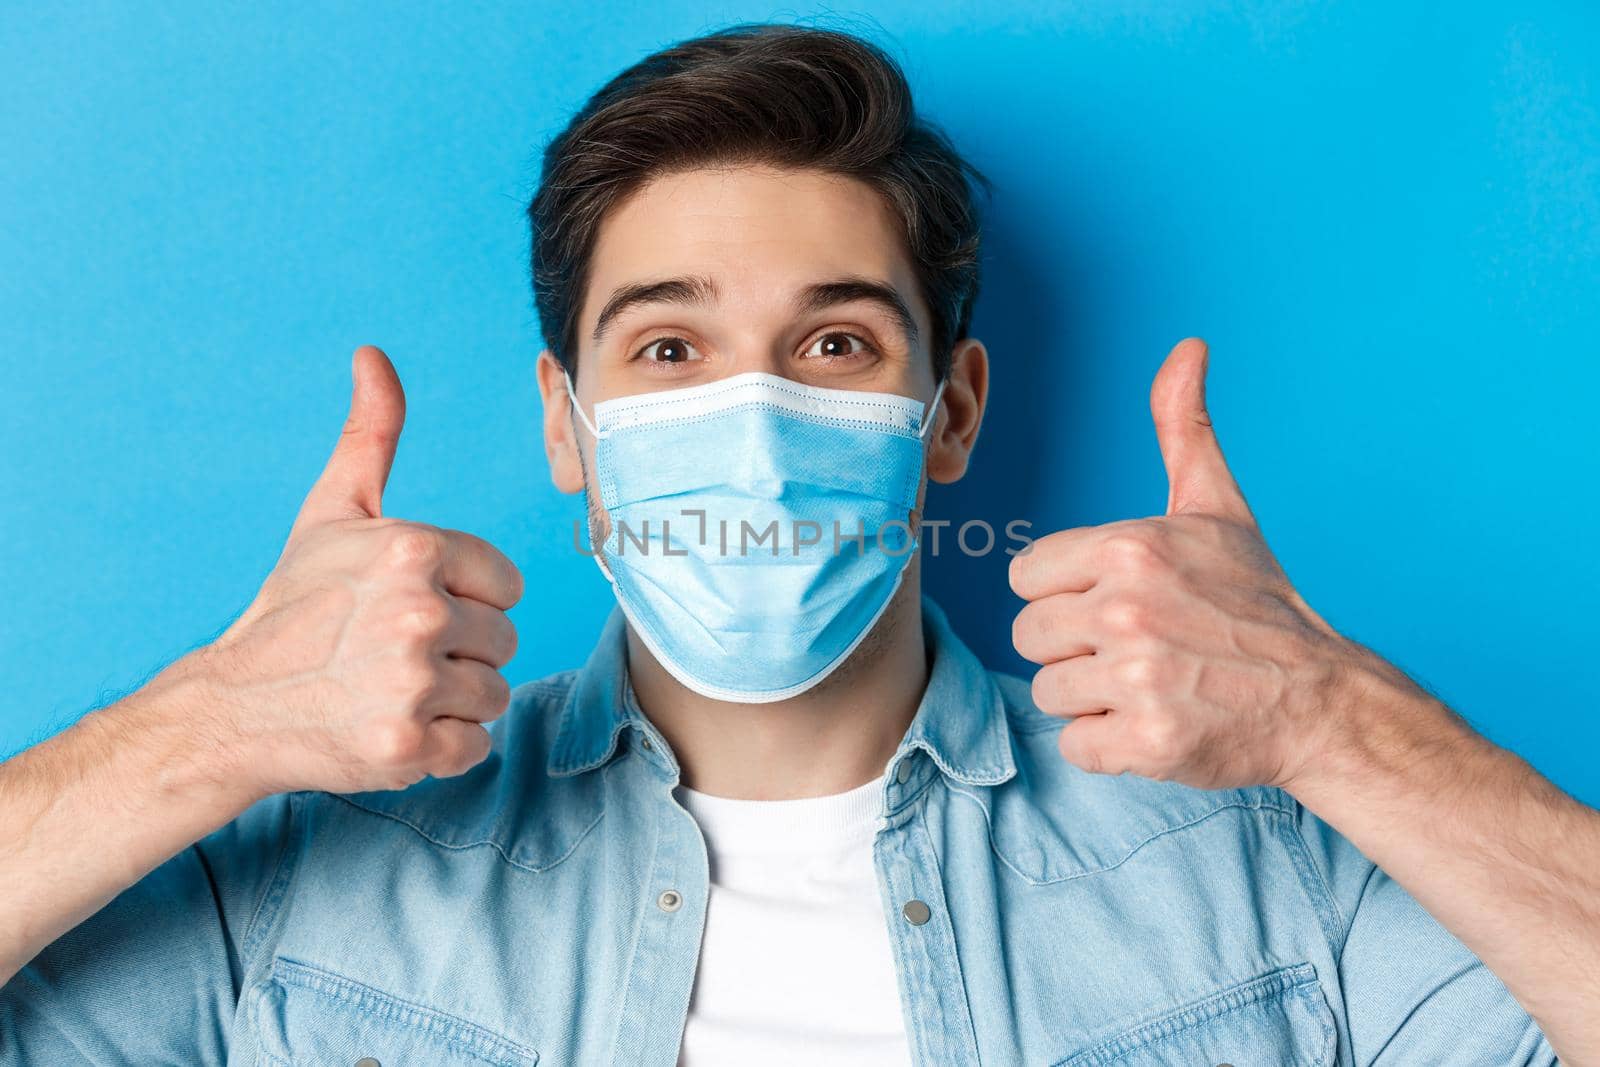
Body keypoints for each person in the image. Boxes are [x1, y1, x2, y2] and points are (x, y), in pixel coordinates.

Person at [1, 21, 1595, 1067]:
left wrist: (1338, 721)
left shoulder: (1257, 869)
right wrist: (202, 729)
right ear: (567, 425)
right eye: (671, 354)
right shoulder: (304, 883)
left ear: (951, 414)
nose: (751, 425)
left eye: (832, 347)